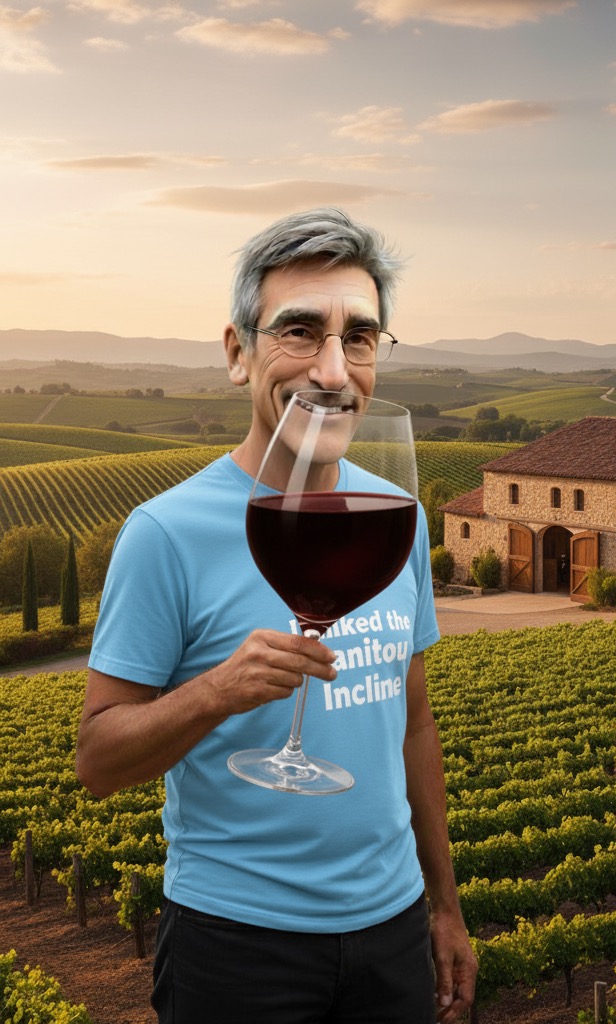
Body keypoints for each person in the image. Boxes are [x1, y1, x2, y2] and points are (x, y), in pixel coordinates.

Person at [75, 207, 477, 1024]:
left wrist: (444, 904)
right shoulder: (166, 534)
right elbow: (98, 761)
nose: (333, 370)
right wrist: (218, 691)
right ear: (238, 353)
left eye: (359, 338)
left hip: (394, 930)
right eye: (300, 331)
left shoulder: (397, 512)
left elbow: (414, 722)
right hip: (236, 943)